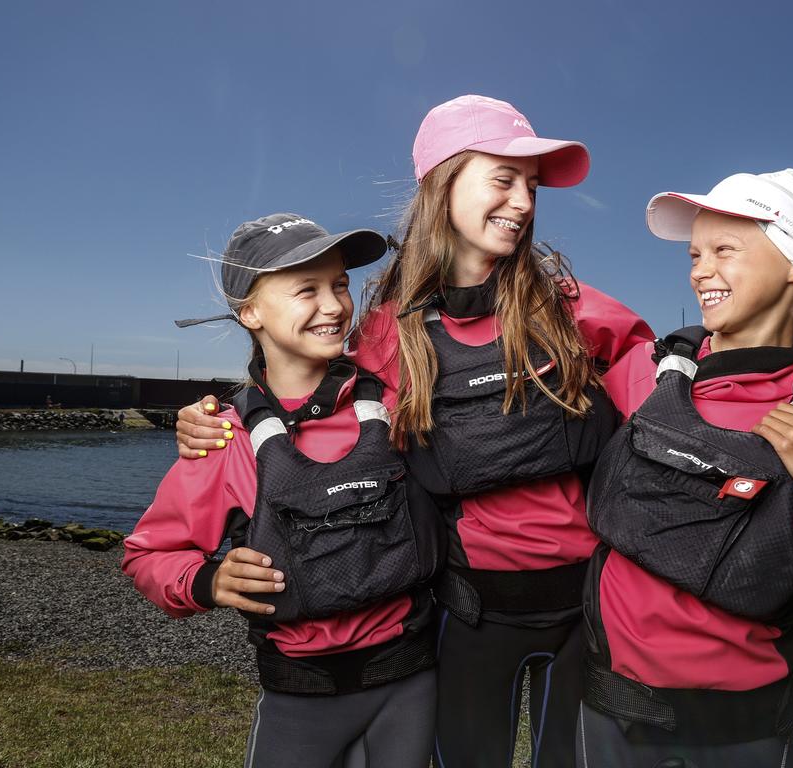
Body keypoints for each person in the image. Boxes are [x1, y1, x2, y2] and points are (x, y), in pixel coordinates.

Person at [175, 96, 654, 768]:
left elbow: (665, 397)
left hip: (582, 608)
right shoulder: (390, 334)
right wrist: (218, 418)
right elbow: (312, 396)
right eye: (503, 178)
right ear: (442, 183)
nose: (522, 201)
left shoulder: (570, 310)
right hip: (465, 614)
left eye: (532, 187)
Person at [577, 170, 793, 767]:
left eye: (725, 250)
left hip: (749, 718)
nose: (699, 269)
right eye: (695, 253)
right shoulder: (644, 375)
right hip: (615, 703)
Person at [123, 214, 442, 767]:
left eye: (340, 284)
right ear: (249, 312)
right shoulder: (226, 438)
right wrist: (208, 579)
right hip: (300, 699)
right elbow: (148, 554)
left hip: (412, 683)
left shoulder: (392, 399)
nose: (334, 305)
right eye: (305, 290)